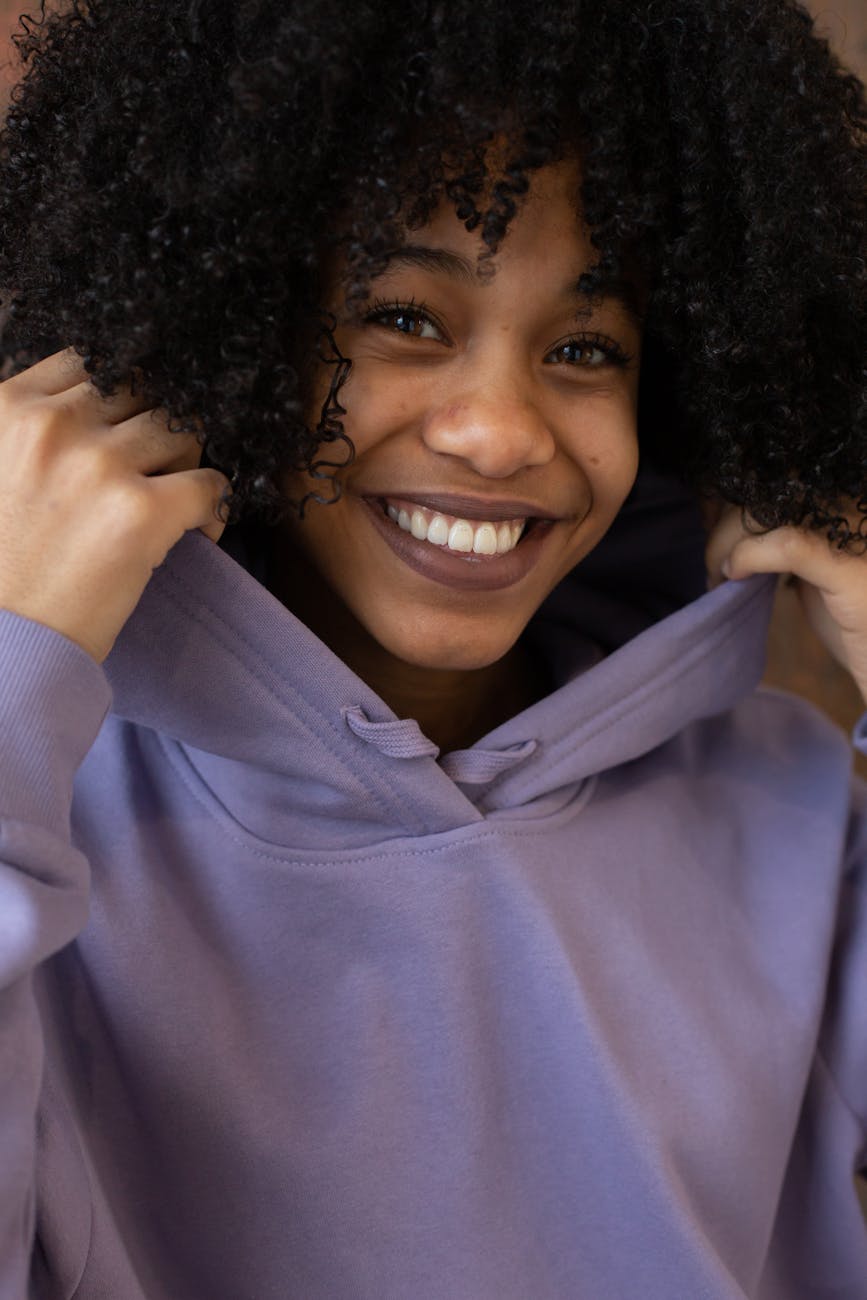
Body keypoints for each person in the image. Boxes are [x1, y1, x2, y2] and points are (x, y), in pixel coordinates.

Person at [0, 0, 865, 1295]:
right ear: (227, 320)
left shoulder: (792, 813)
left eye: (584, 348)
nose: (500, 431)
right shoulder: (48, 797)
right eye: (405, 316)